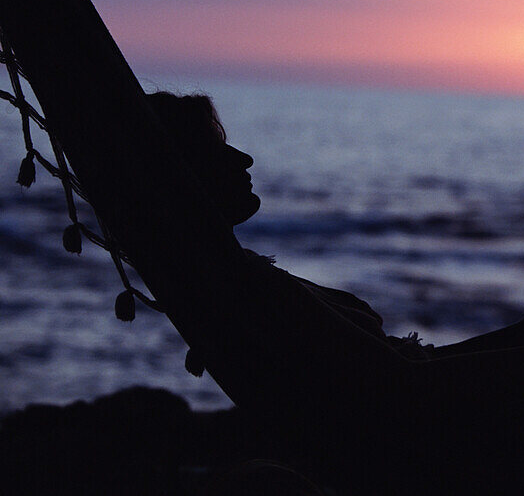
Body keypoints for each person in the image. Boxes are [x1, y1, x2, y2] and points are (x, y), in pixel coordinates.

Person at [144, 91, 430, 359]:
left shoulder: (229, 274)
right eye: (216, 149)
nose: (245, 158)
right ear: (182, 177)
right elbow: (394, 379)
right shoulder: (248, 286)